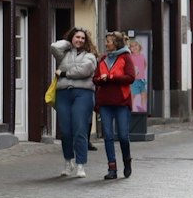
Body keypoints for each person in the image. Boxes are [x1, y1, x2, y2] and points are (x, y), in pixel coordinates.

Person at [49, 27, 98, 178]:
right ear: (72, 38)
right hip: (63, 93)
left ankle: (80, 164)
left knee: (79, 128)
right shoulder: (63, 54)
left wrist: (64, 73)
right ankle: (67, 161)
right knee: (65, 130)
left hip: (83, 94)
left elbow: (84, 71)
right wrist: (68, 43)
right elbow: (54, 46)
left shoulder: (90, 56)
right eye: (77, 37)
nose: (80, 40)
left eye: (83, 38)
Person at [94, 32, 135, 180]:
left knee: (123, 136)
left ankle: (127, 161)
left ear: (116, 43)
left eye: (109, 41)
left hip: (121, 102)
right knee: (108, 136)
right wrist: (100, 79)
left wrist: (111, 77)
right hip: (105, 102)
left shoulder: (126, 57)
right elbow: (95, 78)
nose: (106, 44)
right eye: (106, 41)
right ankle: (112, 168)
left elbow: (130, 77)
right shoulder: (104, 59)